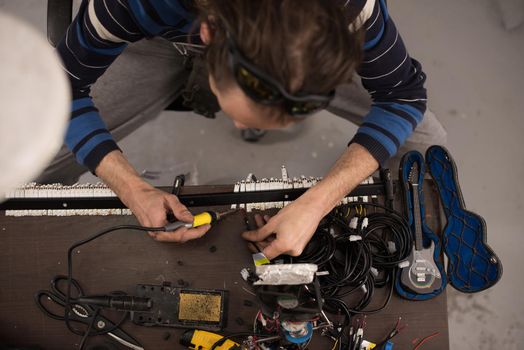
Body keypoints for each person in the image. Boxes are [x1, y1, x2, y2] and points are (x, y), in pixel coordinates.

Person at [41, 0, 446, 260]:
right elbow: (60, 88)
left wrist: (319, 202)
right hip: (157, 40)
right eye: (239, 113)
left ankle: (372, 237)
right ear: (208, 35)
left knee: (427, 145)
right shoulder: (132, 3)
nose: (231, 126)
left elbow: (403, 97)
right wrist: (130, 185)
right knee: (31, 153)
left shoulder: (351, 10)